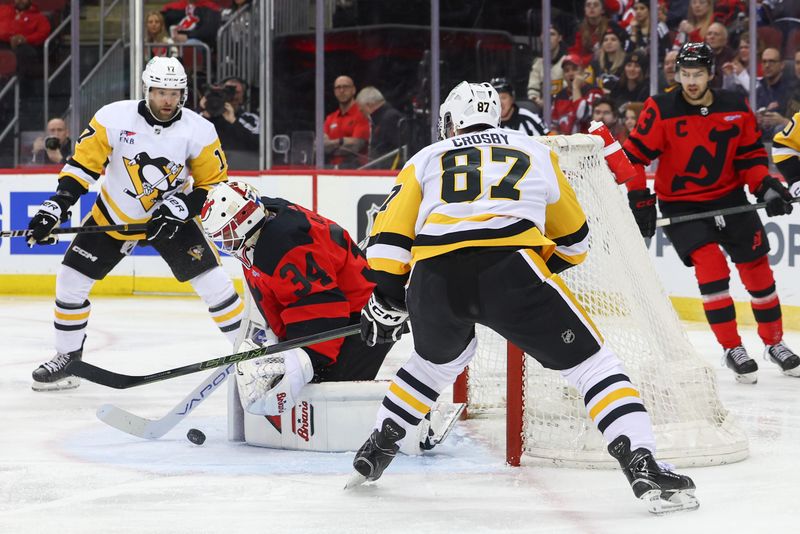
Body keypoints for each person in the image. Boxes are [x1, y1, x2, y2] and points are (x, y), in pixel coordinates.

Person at [346, 80, 699, 515]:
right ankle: (641, 462)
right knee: (594, 366)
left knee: (433, 364)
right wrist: (533, 270)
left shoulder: (425, 157)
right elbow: (576, 240)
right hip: (511, 267)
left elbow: (386, 240)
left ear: (452, 119)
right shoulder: (534, 150)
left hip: (433, 278)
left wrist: (390, 296)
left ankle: (377, 448)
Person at [25, 57, 244, 391]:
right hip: (115, 216)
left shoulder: (198, 129)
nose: (167, 100)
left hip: (170, 220)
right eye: (160, 92)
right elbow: (82, 167)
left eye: (174, 93)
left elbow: (214, 184)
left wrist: (183, 205)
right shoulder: (113, 117)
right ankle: (67, 360)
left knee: (215, 284)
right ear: (147, 89)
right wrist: (57, 205)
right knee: (70, 280)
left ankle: (252, 356)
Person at [621, 42, 798, 384]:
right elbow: (633, 158)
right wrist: (640, 198)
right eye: (685, 74)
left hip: (730, 198)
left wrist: (766, 187)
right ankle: (732, 348)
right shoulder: (661, 108)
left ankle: (775, 343)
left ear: (711, 74)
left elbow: (749, 158)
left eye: (697, 74)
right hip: (682, 204)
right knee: (711, 267)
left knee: (757, 270)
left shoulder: (734, 105)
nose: (690, 81)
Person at [199, 181, 393, 415]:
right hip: (343, 309)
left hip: (365, 317)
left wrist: (310, 357)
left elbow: (321, 306)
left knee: (328, 400)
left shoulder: (284, 244)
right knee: (301, 388)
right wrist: (281, 342)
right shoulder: (262, 225)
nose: (225, 244)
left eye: (227, 234)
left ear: (245, 219)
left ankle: (405, 416)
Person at [200, 76, 259, 152]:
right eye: (226, 91)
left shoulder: (252, 119)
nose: (232, 96)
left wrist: (233, 121)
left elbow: (257, 145)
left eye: (236, 92)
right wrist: (205, 115)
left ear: (243, 97)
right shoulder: (197, 116)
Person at [323, 75, 370, 168]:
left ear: (353, 90)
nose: (341, 90)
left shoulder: (362, 114)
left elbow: (355, 146)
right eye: (338, 87)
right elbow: (321, 147)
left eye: (345, 87)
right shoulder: (330, 118)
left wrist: (332, 145)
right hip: (330, 171)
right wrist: (342, 141)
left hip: (356, 170)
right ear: (334, 92)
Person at [0, 0, 51, 86]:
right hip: (2, 42)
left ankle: (13, 86)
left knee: (25, 52)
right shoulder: (4, 10)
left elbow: (43, 33)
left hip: (23, 46)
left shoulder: (38, 17)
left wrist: (25, 39)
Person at [551, 54, 604, 134]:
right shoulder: (559, 96)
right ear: (564, 76)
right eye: (566, 70)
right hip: (564, 143)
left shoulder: (594, 91)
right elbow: (553, 125)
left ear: (583, 71)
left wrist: (576, 88)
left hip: (589, 142)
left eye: (575, 69)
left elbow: (582, 115)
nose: (571, 73)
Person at [355, 86, 405, 169]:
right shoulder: (382, 118)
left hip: (388, 173)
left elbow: (397, 152)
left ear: (369, 105)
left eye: (361, 110)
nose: (361, 114)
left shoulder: (390, 118)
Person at [756, 48, 794, 137]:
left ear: (782, 65)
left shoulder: (793, 90)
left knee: (780, 129)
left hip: (785, 141)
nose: (767, 65)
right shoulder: (758, 90)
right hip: (762, 140)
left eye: (771, 61)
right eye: (764, 62)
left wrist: (782, 121)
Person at [527, 25, 567, 106]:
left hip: (563, 106)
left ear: (559, 38)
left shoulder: (567, 61)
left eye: (552, 34)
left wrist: (551, 102)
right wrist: (536, 100)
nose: (548, 38)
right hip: (541, 108)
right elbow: (533, 89)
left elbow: (568, 89)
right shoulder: (538, 63)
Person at [704, 22, 736, 89]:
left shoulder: (732, 58)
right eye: (709, 34)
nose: (712, 37)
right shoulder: (700, 55)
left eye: (716, 34)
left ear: (725, 40)